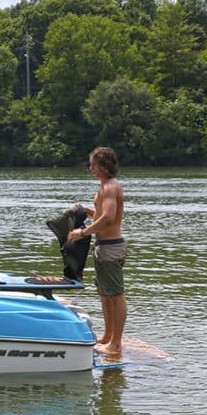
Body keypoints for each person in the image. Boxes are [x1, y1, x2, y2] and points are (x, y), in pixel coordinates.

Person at [68, 146, 127, 355]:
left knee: (115, 294)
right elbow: (102, 215)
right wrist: (85, 211)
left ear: (104, 165)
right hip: (103, 246)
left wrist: (82, 234)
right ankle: (108, 335)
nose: (91, 168)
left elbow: (109, 218)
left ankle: (116, 343)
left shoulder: (110, 187)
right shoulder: (104, 188)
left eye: (94, 164)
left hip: (111, 247)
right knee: (104, 293)